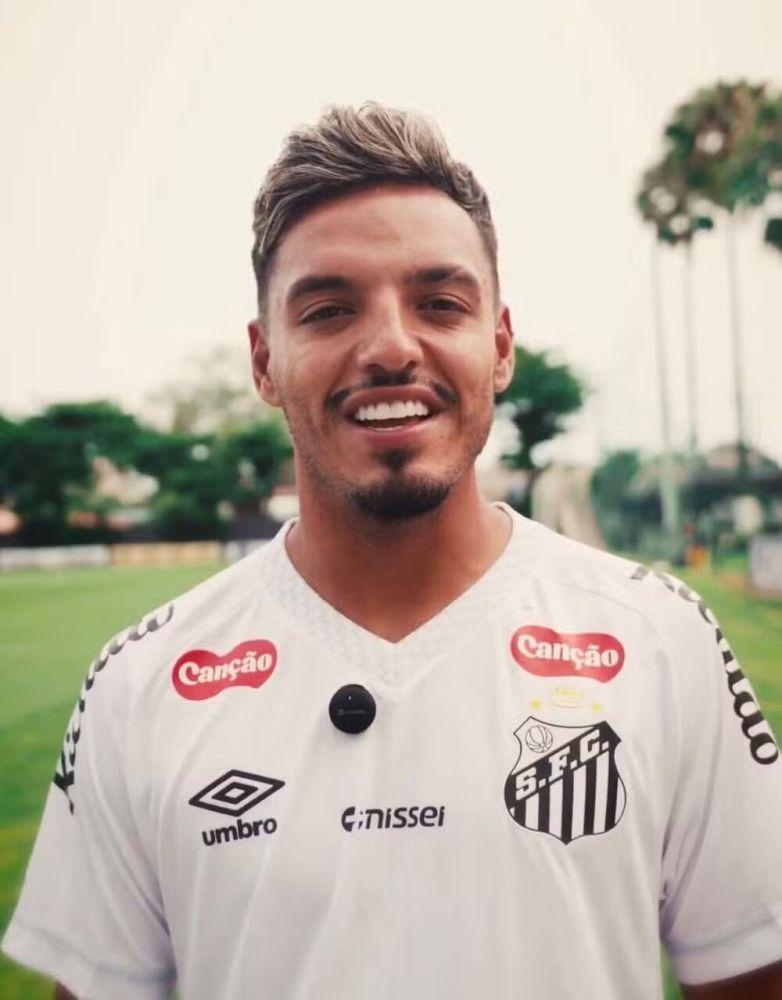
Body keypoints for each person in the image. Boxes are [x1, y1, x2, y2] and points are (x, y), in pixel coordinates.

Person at [4, 103, 782, 1000]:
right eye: (328, 310)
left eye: (440, 304)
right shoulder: (141, 684)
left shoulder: (660, 640)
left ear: (498, 346)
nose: (389, 348)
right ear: (264, 361)